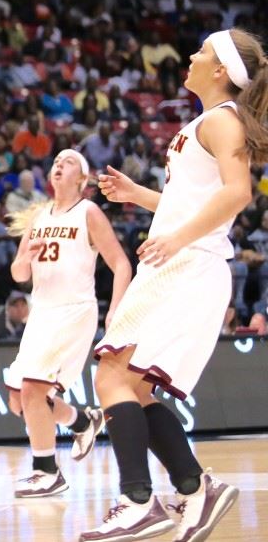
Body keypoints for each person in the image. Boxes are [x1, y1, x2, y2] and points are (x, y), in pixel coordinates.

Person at [82, 29, 268, 541]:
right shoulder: (206, 123)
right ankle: (193, 486)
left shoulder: (224, 121)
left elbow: (238, 193)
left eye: (202, 52)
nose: (191, 56)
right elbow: (189, 201)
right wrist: (137, 194)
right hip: (176, 262)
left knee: (112, 377)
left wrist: (178, 239)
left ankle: (139, 500)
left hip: (188, 265)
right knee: (128, 385)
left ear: (221, 71)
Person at [4, 149, 132, 499]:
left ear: (83, 179)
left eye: (69, 161)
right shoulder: (38, 216)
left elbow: (121, 263)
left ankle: (47, 472)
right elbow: (18, 273)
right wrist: (26, 257)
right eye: (57, 161)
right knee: (19, 401)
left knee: (32, 390)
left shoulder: (88, 212)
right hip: (41, 312)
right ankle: (81, 421)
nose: (59, 164)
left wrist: (116, 309)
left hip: (73, 311)